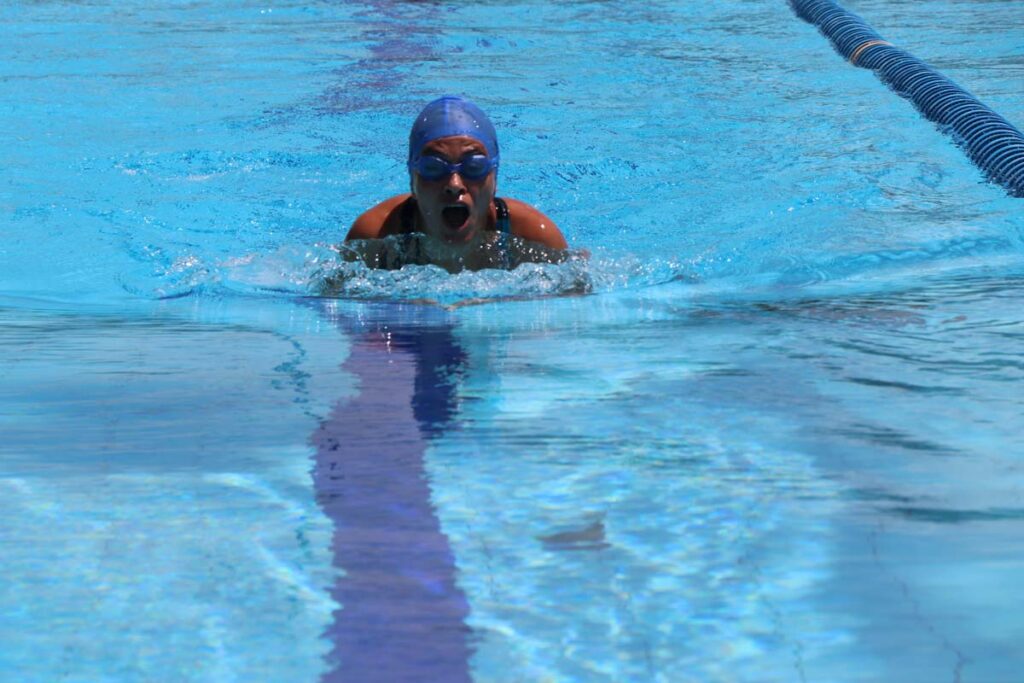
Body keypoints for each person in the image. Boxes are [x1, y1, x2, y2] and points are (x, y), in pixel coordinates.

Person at [344, 96, 569, 272]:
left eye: (473, 167)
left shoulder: (534, 238)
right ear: (412, 180)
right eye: (433, 168)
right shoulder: (375, 237)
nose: (454, 184)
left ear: (495, 177)